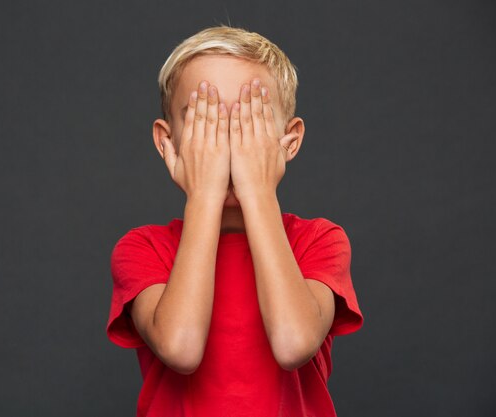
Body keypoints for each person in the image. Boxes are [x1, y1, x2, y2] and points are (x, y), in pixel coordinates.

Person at [106, 24, 364, 417]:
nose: (225, 144)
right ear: (168, 143)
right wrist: (205, 194)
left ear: (288, 141)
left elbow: (294, 343)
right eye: (205, 123)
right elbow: (181, 347)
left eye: (247, 123)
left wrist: (258, 190)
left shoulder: (319, 240)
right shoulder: (143, 248)